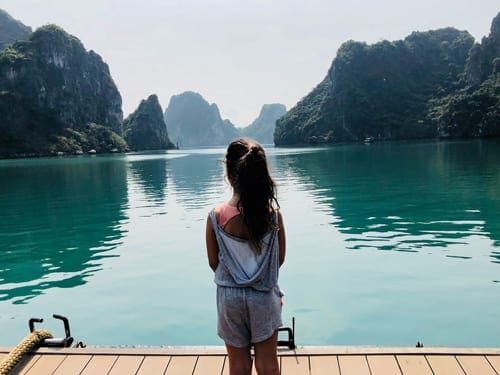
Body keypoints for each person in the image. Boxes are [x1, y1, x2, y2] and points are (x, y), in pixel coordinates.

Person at [206, 138, 286, 375]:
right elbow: (279, 258)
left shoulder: (215, 217)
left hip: (229, 298)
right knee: (268, 365)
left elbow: (214, 262)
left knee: (238, 366)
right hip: (263, 296)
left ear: (230, 176)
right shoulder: (273, 217)